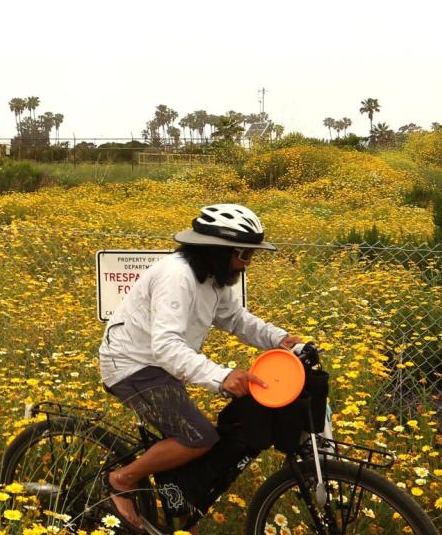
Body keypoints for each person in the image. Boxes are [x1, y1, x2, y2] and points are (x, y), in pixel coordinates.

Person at [98, 204, 301, 532]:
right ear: (219, 251)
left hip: (159, 364)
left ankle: (176, 515)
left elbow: (234, 319)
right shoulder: (176, 276)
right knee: (199, 438)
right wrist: (221, 376)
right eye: (245, 255)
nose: (247, 264)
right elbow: (165, 345)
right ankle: (120, 481)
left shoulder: (214, 278)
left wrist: (280, 340)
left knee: (193, 447)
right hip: (132, 364)